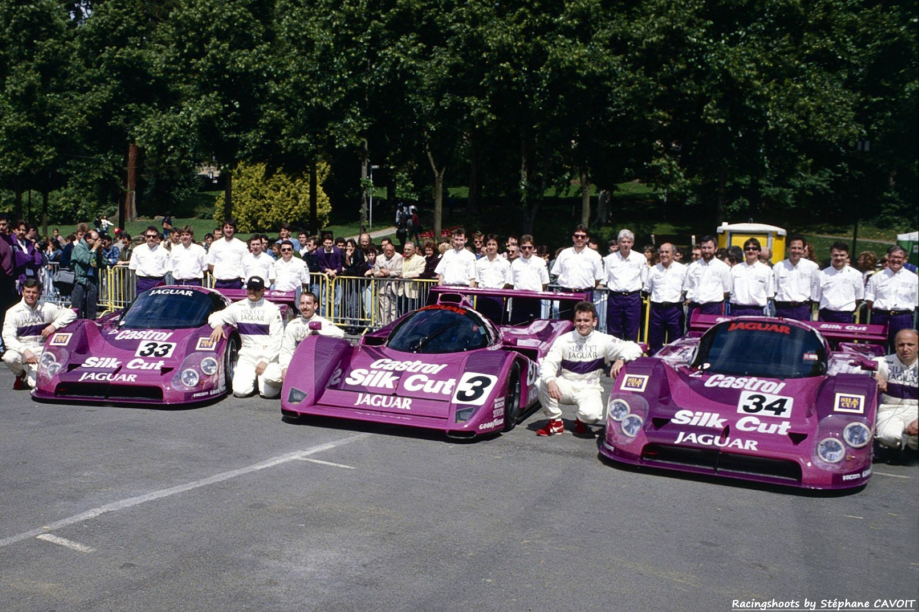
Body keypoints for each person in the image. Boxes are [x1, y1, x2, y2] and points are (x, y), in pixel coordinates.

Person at [536, 301, 643, 436]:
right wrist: (551, 381)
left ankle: (581, 421)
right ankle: (555, 422)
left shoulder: (603, 339)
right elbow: (548, 363)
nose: (582, 324)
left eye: (587, 320)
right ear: (574, 321)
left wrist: (621, 359)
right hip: (566, 383)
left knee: (592, 415)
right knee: (541, 382)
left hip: (589, 387)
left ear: (595, 321)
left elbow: (635, 348)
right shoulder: (563, 339)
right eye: (579, 320)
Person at [208, 276, 284, 398]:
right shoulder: (237, 307)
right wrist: (217, 326)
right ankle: (253, 379)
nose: (252, 291)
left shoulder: (272, 309)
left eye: (257, 289)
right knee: (240, 392)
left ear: (263, 290)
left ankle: (265, 379)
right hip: (247, 354)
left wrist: (265, 360)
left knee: (269, 393)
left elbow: (277, 339)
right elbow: (214, 316)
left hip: (267, 353)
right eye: (250, 288)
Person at [2, 278, 76, 389]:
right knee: (9, 357)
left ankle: (34, 376)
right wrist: (24, 350)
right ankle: (20, 375)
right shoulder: (12, 312)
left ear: (39, 293)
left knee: (34, 384)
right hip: (22, 349)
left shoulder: (47, 307)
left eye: (34, 292)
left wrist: (54, 326)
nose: (30, 295)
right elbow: (8, 338)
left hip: (42, 350)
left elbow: (71, 314)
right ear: (22, 292)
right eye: (27, 292)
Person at [279, 292, 346, 381]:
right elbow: (286, 350)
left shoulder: (323, 322)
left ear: (315, 305)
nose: (305, 307)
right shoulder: (292, 325)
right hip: (296, 365)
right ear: (299, 306)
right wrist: (285, 368)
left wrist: (317, 331)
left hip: (316, 366)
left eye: (308, 303)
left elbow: (340, 334)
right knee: (270, 379)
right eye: (302, 303)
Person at [874, 329, 918, 456]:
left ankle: (912, 448)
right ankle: (893, 449)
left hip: (916, 410)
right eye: (901, 345)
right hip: (890, 409)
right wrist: (875, 374)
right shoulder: (885, 361)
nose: (905, 349)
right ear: (895, 346)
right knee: (887, 436)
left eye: (910, 344)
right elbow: (853, 368)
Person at [866, 246, 918, 349]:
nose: (896, 260)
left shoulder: (913, 278)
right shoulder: (876, 277)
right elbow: (869, 301)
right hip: (880, 316)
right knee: (877, 347)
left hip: (902, 318)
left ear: (905, 259)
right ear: (888, 258)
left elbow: (915, 302)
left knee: (902, 348)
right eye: (893, 257)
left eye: (899, 257)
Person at [603, 229, 648, 341]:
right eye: (623, 242)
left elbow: (644, 279)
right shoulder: (610, 259)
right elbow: (605, 279)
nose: (626, 245)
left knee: (631, 330)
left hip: (633, 298)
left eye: (628, 242)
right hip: (615, 298)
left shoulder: (640, 258)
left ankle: (630, 357)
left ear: (632, 243)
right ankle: (613, 356)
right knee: (613, 330)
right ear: (618, 243)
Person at [551, 224, 604, 319]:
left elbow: (598, 278)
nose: (579, 238)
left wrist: (587, 287)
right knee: (565, 324)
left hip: (585, 294)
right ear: (573, 238)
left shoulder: (594, 256)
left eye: (583, 236)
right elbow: (556, 273)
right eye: (577, 236)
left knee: (584, 325)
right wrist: (567, 282)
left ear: (587, 239)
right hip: (566, 294)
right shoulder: (564, 253)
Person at [643, 243, 687, 354]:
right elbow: (648, 289)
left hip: (675, 309)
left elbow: (686, 288)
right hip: (657, 309)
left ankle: (674, 366)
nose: (664, 254)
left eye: (667, 252)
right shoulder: (653, 270)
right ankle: (655, 364)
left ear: (673, 254)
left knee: (676, 340)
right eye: (662, 252)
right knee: (655, 340)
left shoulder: (683, 269)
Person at [812, 241, 864, 323]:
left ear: (847, 255)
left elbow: (858, 298)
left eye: (842, 255)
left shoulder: (856, 275)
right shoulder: (822, 274)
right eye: (835, 255)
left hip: (846, 316)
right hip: (825, 315)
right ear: (831, 255)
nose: (838, 258)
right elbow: (817, 298)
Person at [683, 235, 732, 320]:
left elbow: (726, 291)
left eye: (709, 248)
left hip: (713, 308)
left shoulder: (723, 267)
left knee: (712, 332)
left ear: (716, 249)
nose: (706, 250)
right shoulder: (693, 266)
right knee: (693, 332)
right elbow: (687, 287)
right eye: (704, 248)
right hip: (695, 307)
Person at [772, 235, 819, 321]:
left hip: (802, 310)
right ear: (788, 249)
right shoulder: (778, 267)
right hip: (782, 309)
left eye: (799, 248)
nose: (796, 251)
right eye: (793, 248)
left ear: (803, 250)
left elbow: (814, 289)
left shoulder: (812, 267)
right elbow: (774, 290)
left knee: (801, 334)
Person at [509, 234, 549, 323]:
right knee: (517, 326)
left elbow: (545, 282)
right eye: (524, 247)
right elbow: (512, 283)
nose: (527, 250)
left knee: (534, 328)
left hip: (534, 299)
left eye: (529, 247)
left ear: (533, 248)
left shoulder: (540, 262)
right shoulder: (515, 263)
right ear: (520, 248)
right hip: (518, 300)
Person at [728, 238, 774, 317]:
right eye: (747, 248)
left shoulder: (767, 270)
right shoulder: (735, 269)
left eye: (754, 248)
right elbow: (730, 290)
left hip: (757, 311)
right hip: (737, 310)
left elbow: (768, 295)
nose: (751, 251)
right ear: (744, 252)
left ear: (759, 252)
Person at [70, 230, 104, 320]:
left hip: (92, 281)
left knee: (91, 311)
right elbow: (86, 260)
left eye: (98, 240)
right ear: (88, 238)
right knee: (78, 309)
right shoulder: (79, 248)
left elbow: (103, 264)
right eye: (95, 239)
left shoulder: (95, 249)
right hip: (81, 281)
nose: (98, 242)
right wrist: (94, 249)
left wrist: (100, 252)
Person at [207, 219, 248, 289]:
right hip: (220, 283)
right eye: (226, 227)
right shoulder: (215, 245)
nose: (228, 230)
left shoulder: (242, 245)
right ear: (223, 229)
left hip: (236, 283)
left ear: (234, 229)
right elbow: (211, 264)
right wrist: (220, 274)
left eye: (231, 227)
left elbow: (246, 263)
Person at [129, 226, 170, 293]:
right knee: (142, 303)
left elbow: (167, 268)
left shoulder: (164, 252)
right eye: (149, 236)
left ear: (157, 237)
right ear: (145, 237)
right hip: (142, 282)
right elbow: (133, 267)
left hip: (158, 283)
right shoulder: (137, 250)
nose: (151, 238)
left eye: (153, 236)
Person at [0, 214, 18, 355]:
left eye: (4, 224)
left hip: (9, 281)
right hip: (2, 279)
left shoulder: (9, 240)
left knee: (8, 313)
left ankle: (6, 344)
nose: (1, 227)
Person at [375, 241, 404, 325]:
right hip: (382, 286)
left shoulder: (399, 257)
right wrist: (379, 274)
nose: (388, 252)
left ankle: (393, 326)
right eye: (387, 250)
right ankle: (384, 327)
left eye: (390, 250)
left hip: (395, 286)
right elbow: (375, 272)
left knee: (394, 308)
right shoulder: (379, 258)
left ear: (394, 250)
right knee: (384, 309)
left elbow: (399, 271)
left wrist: (388, 273)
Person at [400, 240, 426, 310]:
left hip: (413, 291)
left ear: (414, 250)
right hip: (401, 292)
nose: (406, 251)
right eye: (405, 249)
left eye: (408, 249)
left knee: (412, 314)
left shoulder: (420, 259)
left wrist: (404, 275)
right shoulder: (402, 259)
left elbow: (418, 272)